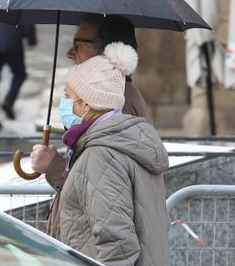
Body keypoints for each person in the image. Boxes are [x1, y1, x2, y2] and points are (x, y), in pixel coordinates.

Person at [30, 43, 172, 266]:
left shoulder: (101, 154)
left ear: (86, 104)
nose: (63, 104)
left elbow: (117, 241)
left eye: (67, 96)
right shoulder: (118, 141)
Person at [30, 15, 151, 196]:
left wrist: (53, 166)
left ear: (107, 53)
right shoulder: (112, 101)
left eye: (78, 44)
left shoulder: (117, 106)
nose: (70, 53)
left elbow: (104, 188)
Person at [0, 21, 37, 131]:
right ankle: (9, 100)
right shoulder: (15, 2)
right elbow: (26, 20)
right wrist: (31, 39)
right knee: (20, 74)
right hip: (12, 42)